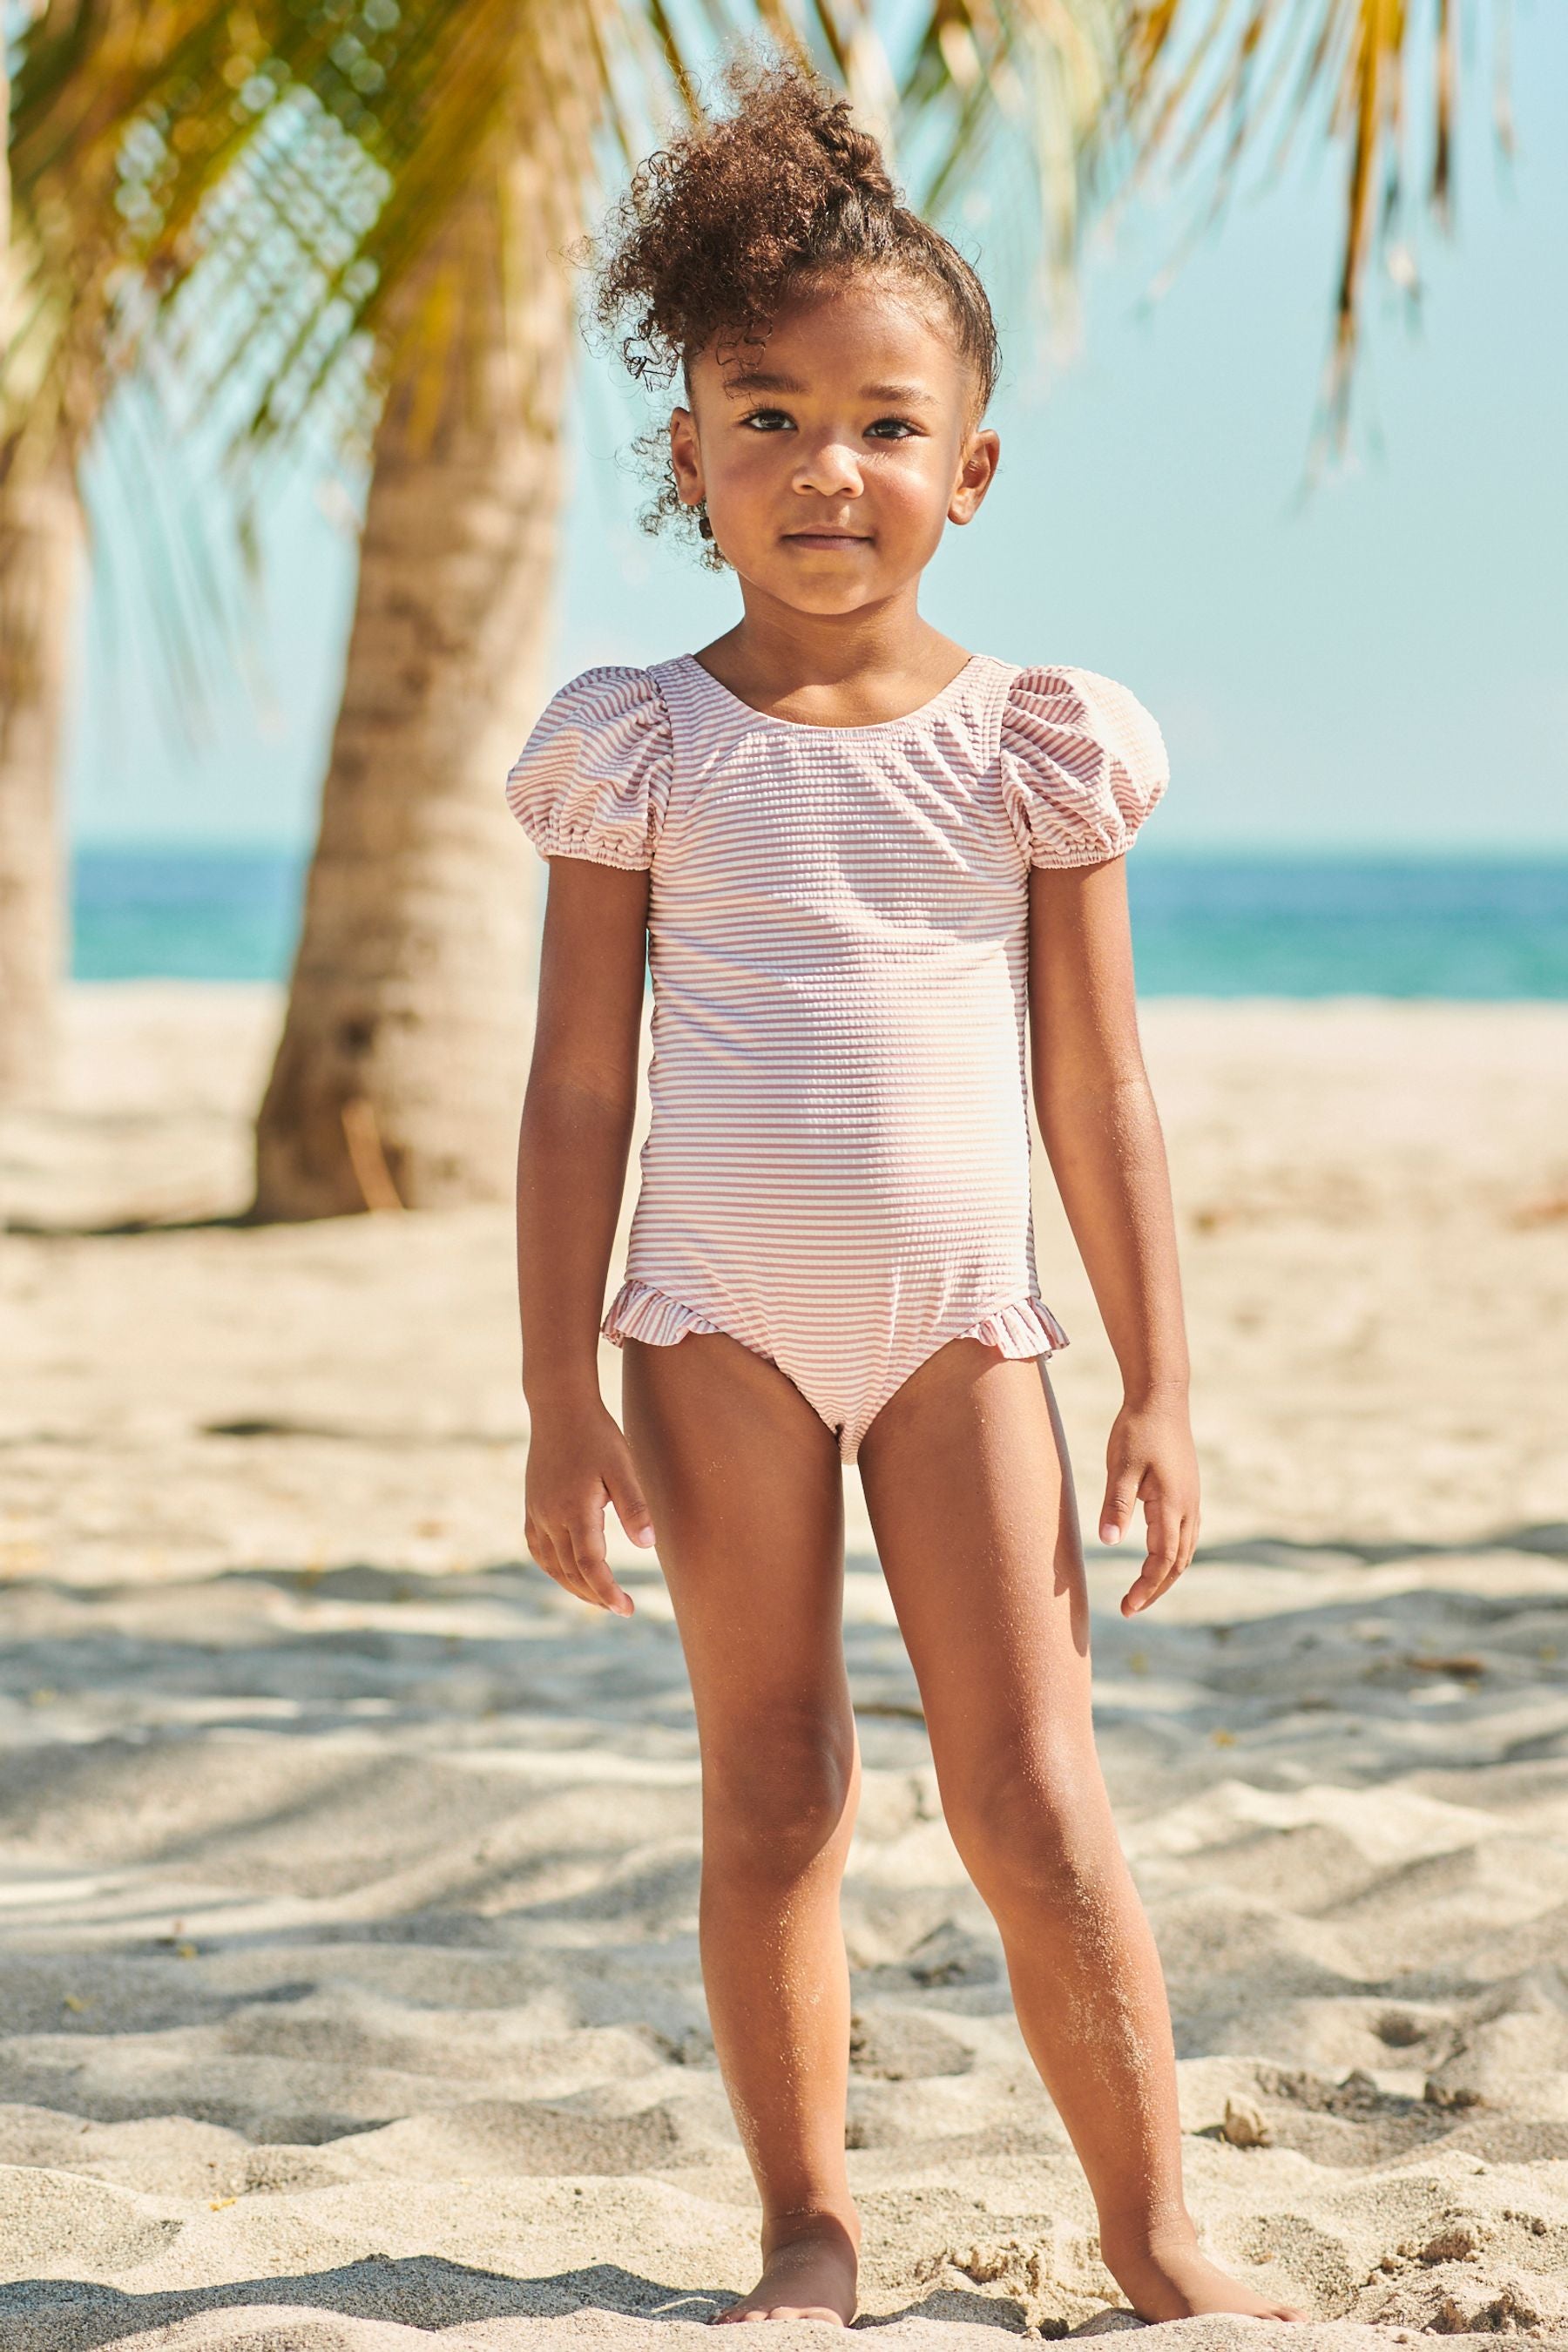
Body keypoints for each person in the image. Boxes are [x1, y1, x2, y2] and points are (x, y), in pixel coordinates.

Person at [504, 52, 1307, 2333]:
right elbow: (576, 1091)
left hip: (970, 1325)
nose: (820, 468)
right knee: (774, 1785)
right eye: (761, 416)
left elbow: (1104, 1084)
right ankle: (805, 2229)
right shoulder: (639, 744)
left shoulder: (1034, 740)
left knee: (1035, 1791)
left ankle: (1157, 2230)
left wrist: (1159, 1380)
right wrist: (559, 1394)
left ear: (968, 463)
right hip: (711, 1326)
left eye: (875, 420)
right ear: (687, 461)